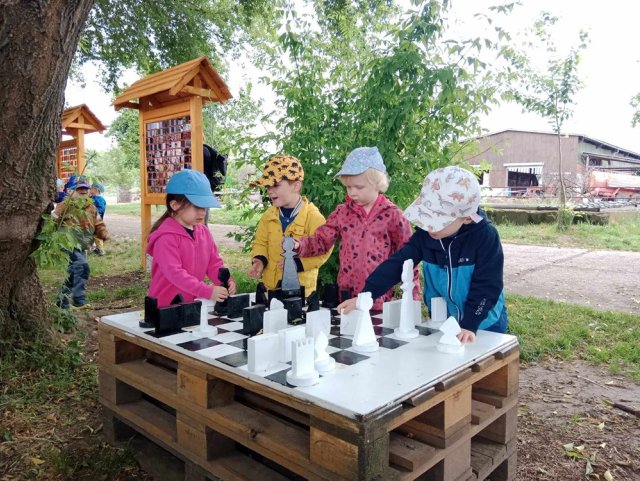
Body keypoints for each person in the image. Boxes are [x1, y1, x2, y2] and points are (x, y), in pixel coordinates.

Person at [337, 165, 508, 344]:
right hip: (444, 320)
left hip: (484, 323)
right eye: (427, 218)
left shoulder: (485, 237)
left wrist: (470, 323)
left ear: (466, 217)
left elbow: (488, 285)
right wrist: (366, 295)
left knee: (481, 366)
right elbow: (397, 264)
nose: (428, 226)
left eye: (436, 221)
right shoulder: (426, 235)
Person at [293, 147, 419, 310]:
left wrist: (412, 296)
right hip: (347, 294)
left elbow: (409, 256)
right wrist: (300, 245)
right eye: (348, 187)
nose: (352, 192)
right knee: (347, 333)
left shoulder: (393, 215)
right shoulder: (342, 213)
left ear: (377, 184)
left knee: (376, 333)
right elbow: (322, 239)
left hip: (379, 297)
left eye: (358, 187)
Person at [146, 169, 237, 307]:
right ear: (175, 205)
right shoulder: (165, 238)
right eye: (197, 206)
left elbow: (214, 264)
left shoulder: (203, 232)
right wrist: (207, 291)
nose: (203, 212)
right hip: (165, 308)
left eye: (205, 207)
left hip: (191, 305)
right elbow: (175, 274)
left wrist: (226, 281)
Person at [248, 154, 332, 297]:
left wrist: (299, 264)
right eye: (268, 186)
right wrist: (259, 261)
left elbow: (325, 250)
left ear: (296, 185)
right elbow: (260, 243)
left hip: (301, 293)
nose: (270, 190)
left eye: (276, 185)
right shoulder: (268, 216)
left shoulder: (313, 217)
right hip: (272, 290)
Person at [54, 176, 110, 309]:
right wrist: (52, 232)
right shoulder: (66, 205)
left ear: (89, 191)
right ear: (72, 191)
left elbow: (98, 223)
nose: (83, 192)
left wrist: (104, 234)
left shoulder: (91, 207)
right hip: (68, 243)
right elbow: (54, 218)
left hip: (82, 245)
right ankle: (79, 299)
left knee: (73, 273)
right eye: (80, 190)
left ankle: (62, 302)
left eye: (86, 189)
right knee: (82, 266)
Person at [203, 143, 227, 225]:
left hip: (203, 190)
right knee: (203, 223)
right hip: (207, 188)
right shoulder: (206, 150)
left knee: (201, 224)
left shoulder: (202, 151)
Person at [90, 182, 107, 256]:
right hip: (90, 220)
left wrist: (93, 211)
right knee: (91, 234)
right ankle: (95, 248)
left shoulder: (99, 199)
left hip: (97, 221)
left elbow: (101, 209)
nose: (90, 189)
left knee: (97, 236)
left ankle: (101, 250)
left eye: (91, 188)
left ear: (96, 190)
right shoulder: (91, 198)